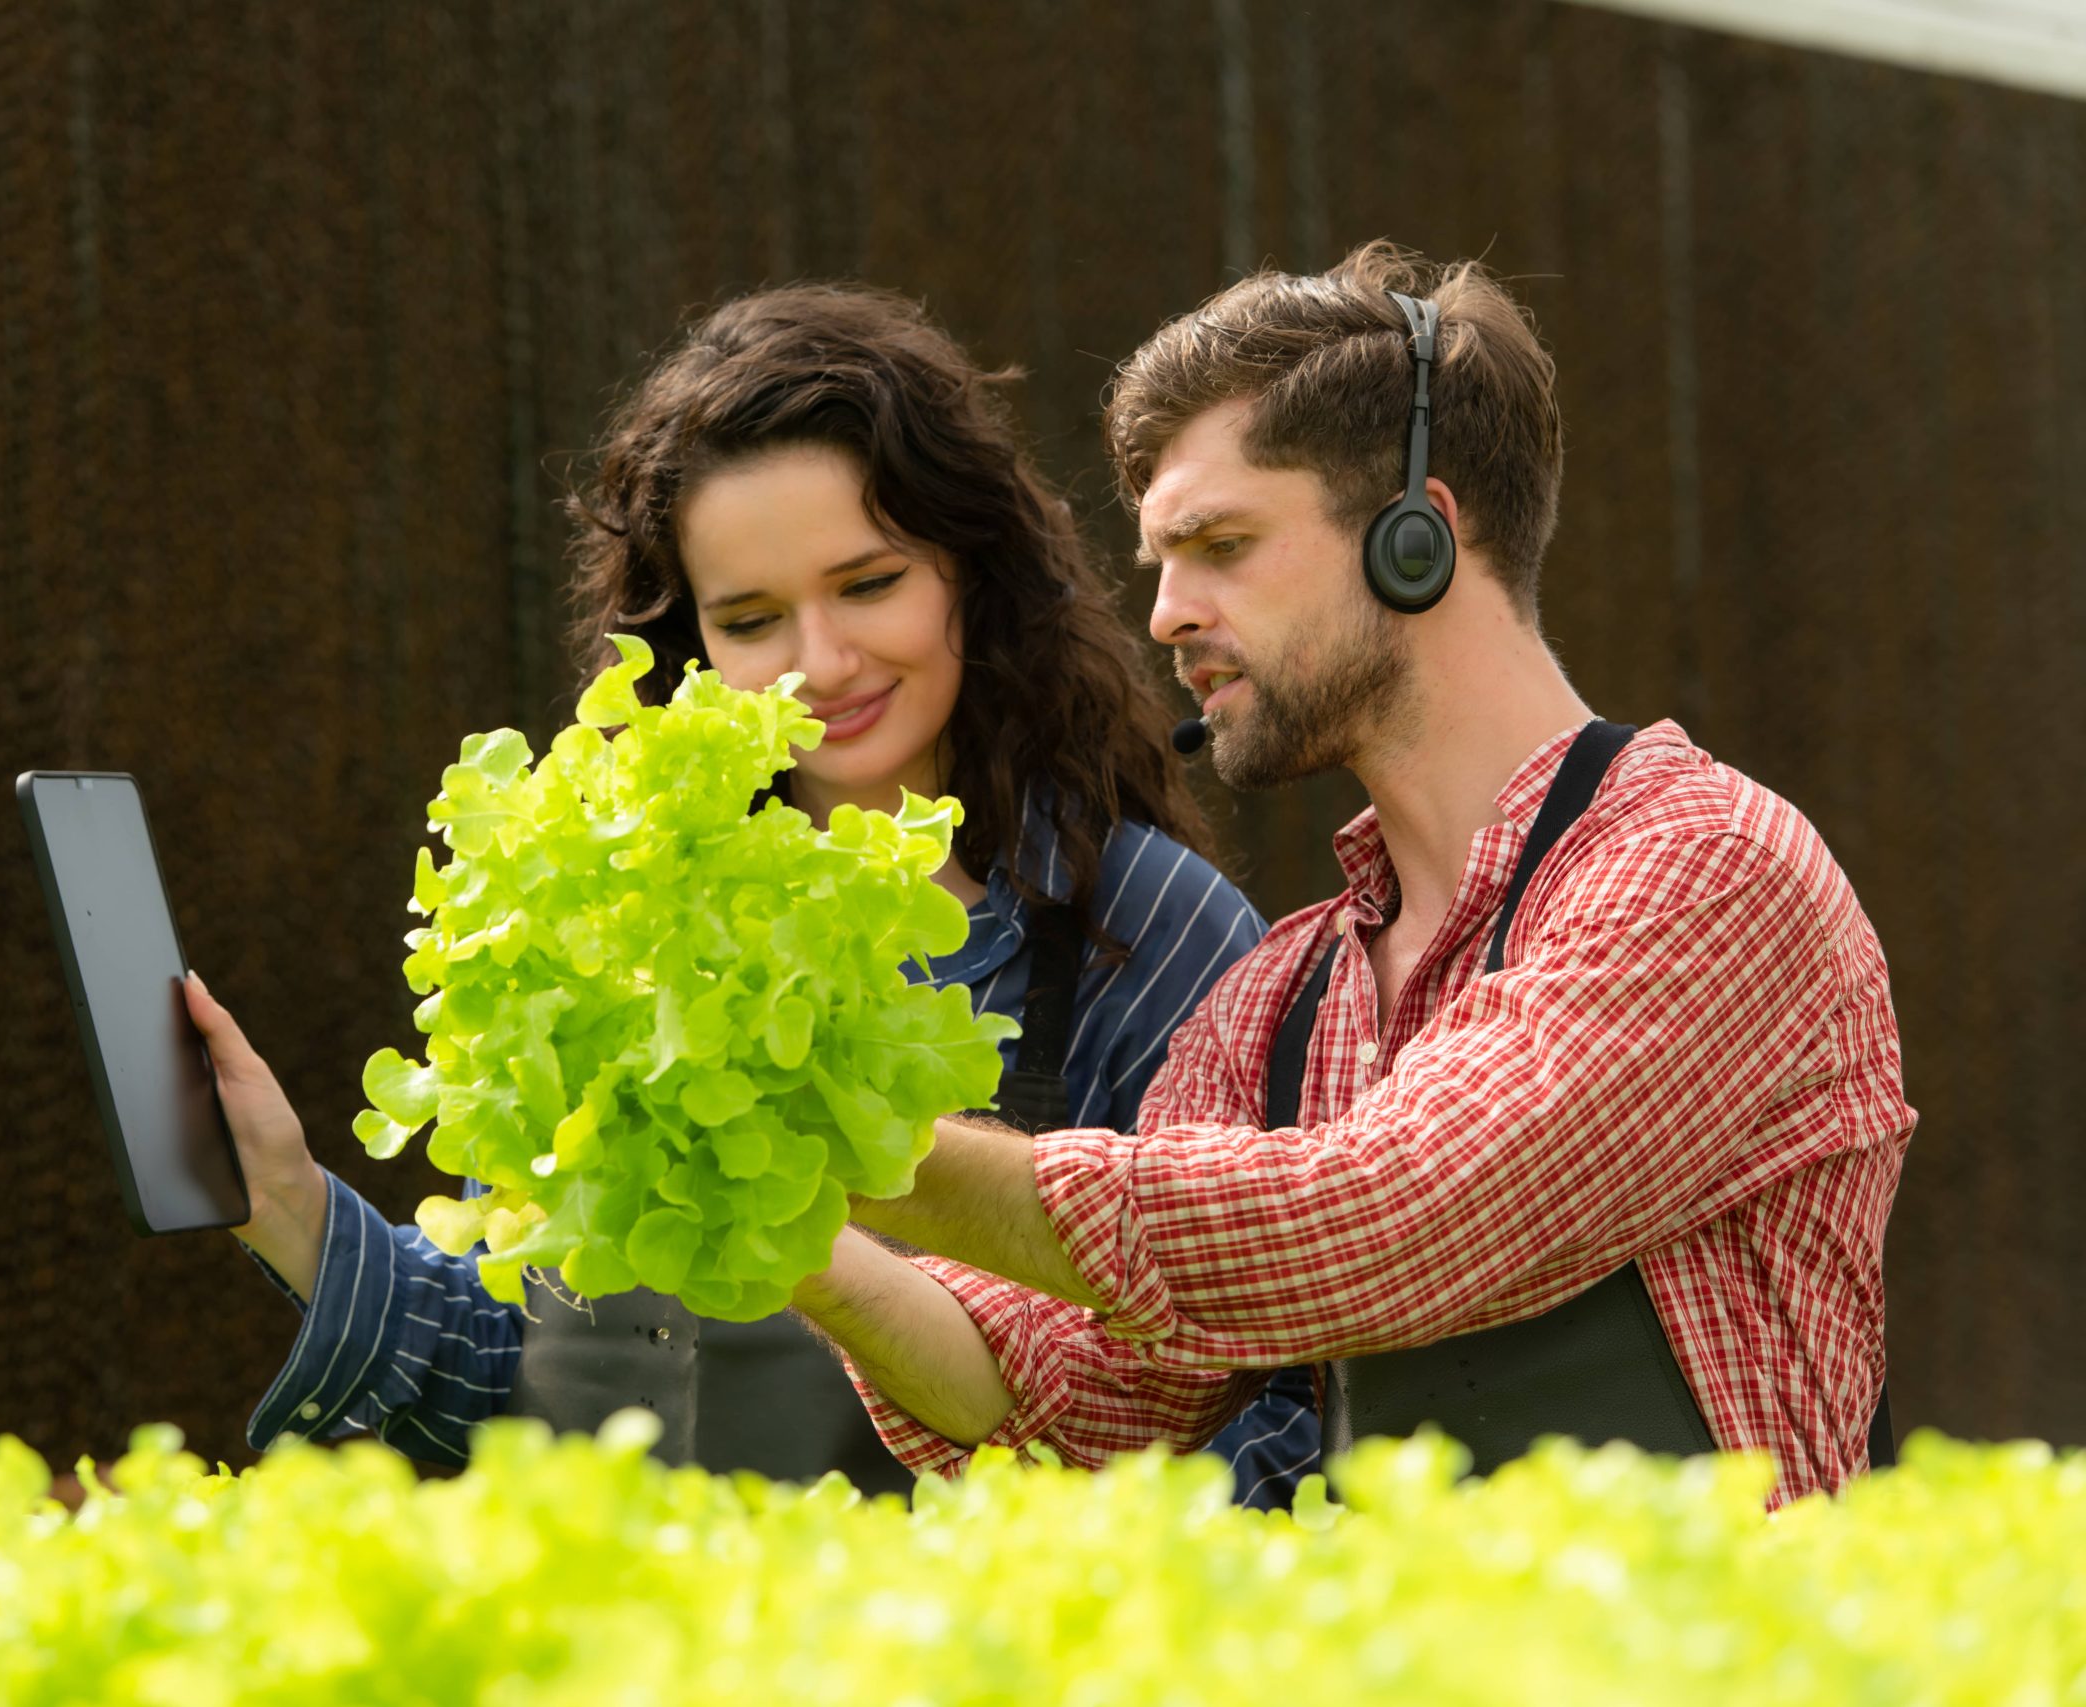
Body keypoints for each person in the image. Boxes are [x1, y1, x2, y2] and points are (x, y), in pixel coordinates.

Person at [791, 243, 1914, 1507]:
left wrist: (849, 1138)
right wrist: (783, 1221)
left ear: (1415, 540)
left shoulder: (1703, 869)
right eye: (1164, 560)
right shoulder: (1277, 1004)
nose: (1163, 612)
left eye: (1219, 544)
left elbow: (1389, 1220)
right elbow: (1075, 1403)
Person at [183, 283, 1319, 1501]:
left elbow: (1232, 1420)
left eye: (870, 584)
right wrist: (282, 1199)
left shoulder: (1142, 928)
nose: (819, 664)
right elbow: (517, 1370)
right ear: (692, 646)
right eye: (751, 618)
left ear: (969, 577)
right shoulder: (601, 920)